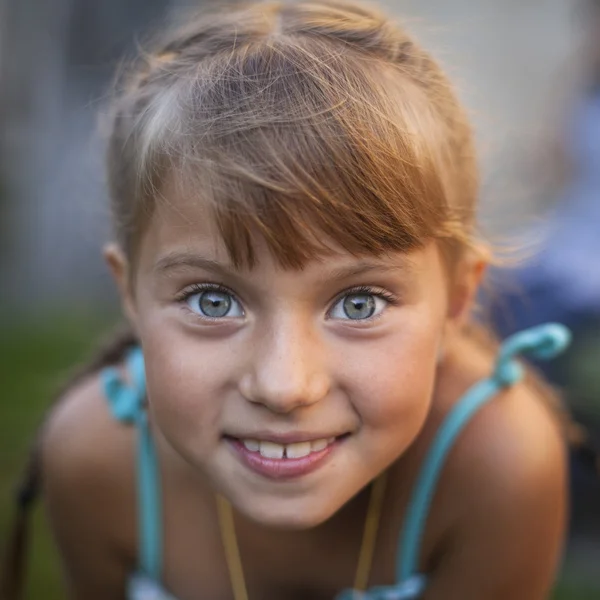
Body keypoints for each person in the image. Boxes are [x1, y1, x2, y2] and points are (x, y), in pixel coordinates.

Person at [0, 2, 575, 599]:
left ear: (458, 299)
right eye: (213, 301)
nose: (284, 385)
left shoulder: (497, 467)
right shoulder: (97, 458)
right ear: (130, 294)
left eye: (359, 304)